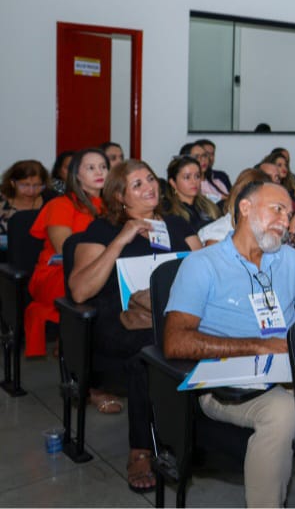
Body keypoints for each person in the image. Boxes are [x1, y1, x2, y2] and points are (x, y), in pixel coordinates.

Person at [164, 181, 295, 506]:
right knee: (283, 413)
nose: (285, 221)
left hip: (290, 374)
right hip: (227, 384)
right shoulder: (203, 265)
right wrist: (258, 346)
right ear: (244, 208)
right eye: (277, 209)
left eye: (289, 213)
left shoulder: (287, 260)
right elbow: (175, 341)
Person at [70, 159, 202, 492]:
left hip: (173, 317)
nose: (150, 187)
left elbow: (205, 275)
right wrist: (123, 238)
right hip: (121, 322)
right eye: (137, 184)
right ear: (119, 198)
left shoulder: (176, 225)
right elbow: (81, 290)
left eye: (150, 179)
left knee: (192, 338)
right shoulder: (102, 230)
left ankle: (197, 436)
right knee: (151, 352)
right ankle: (141, 449)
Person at [24, 149, 107, 359]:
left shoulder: (116, 204)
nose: (100, 172)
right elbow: (65, 249)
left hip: (101, 267)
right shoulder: (60, 204)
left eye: (103, 167)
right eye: (91, 168)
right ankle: (80, 355)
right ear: (76, 175)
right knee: (98, 287)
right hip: (58, 272)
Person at [160, 155, 222, 233]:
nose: (194, 182)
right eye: (187, 177)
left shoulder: (208, 204)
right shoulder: (168, 209)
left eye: (197, 176)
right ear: (173, 182)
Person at [1, 159, 50, 236]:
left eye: (37, 185)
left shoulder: (51, 201)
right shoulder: (1, 200)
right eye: (25, 185)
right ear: (13, 183)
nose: (31, 191)